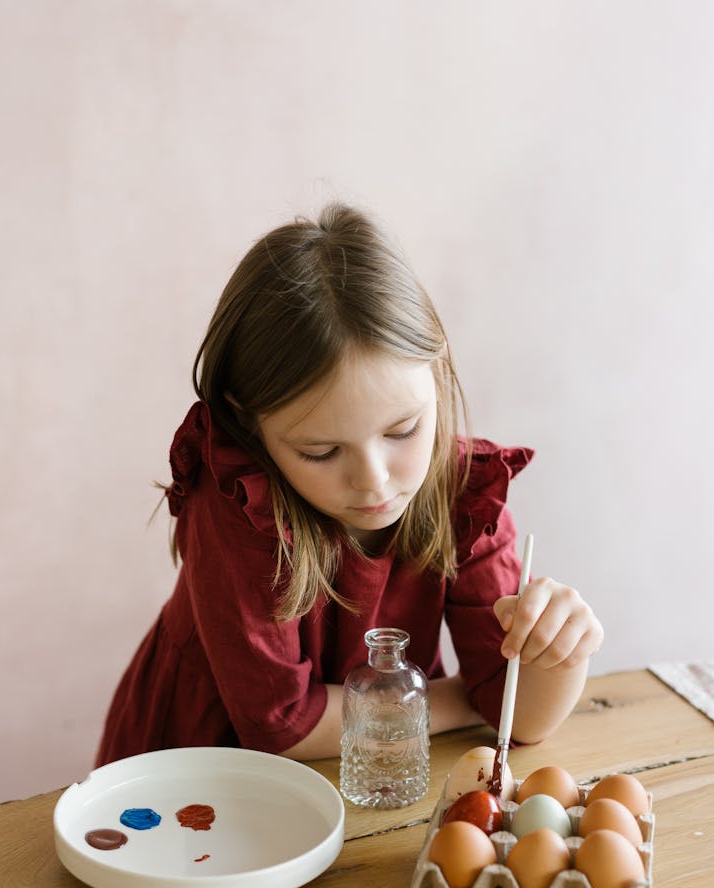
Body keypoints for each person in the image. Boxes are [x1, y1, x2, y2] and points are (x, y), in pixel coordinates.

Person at [95, 203, 603, 768]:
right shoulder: (238, 504)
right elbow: (282, 730)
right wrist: (459, 699)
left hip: (382, 763)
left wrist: (561, 655)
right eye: (321, 452)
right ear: (250, 424)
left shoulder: (462, 493)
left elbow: (517, 717)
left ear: (435, 374)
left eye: (403, 430)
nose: (375, 480)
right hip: (210, 767)